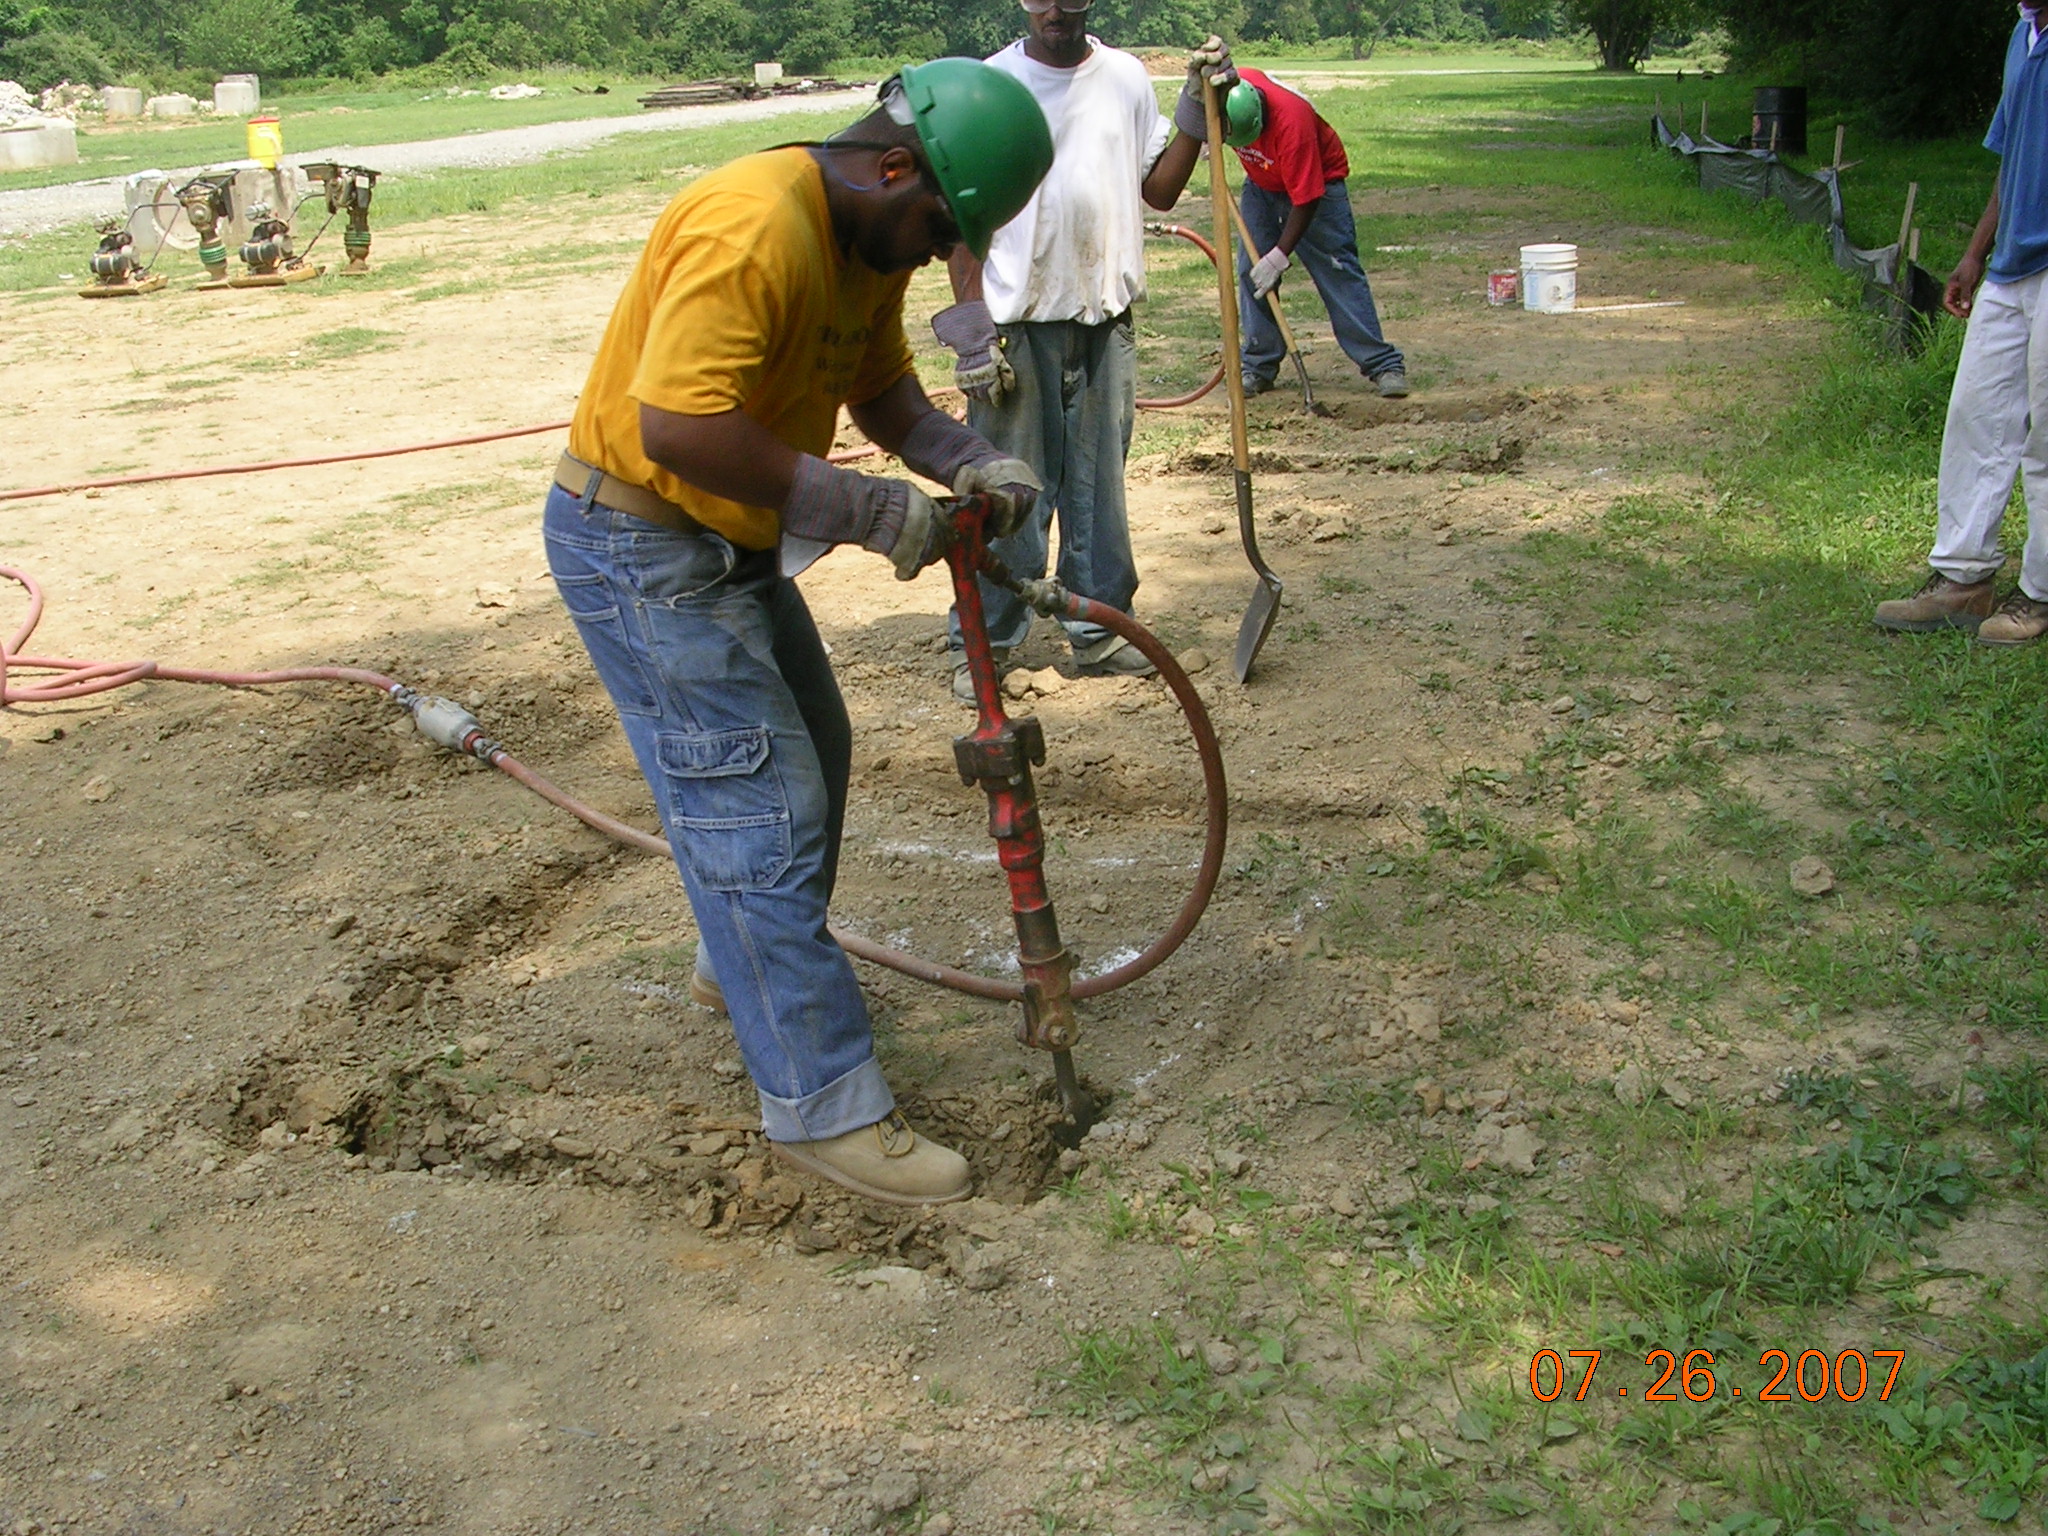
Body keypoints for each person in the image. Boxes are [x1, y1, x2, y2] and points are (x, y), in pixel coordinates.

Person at [543, 62, 1053, 1206]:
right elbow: (677, 428)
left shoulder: (859, 241)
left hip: (726, 539)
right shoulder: (751, 224)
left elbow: (884, 398)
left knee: (812, 756)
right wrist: (868, 511)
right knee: (756, 805)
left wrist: (969, 458)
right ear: (891, 167)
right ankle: (821, 1107)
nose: (934, 256)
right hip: (641, 541)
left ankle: (747, 968)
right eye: (937, 227)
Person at [929, 8, 1231, 701]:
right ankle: (982, 646)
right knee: (1007, 496)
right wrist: (972, 325)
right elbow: (961, 216)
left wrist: (1194, 110)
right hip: (1016, 327)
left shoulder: (1124, 79)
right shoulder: (993, 86)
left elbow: (1158, 190)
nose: (1056, 8)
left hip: (1105, 322)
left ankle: (1098, 634)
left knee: (1100, 497)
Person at [1872, 7, 2048, 643]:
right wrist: (1977, 253)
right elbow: (2014, 160)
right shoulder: (2021, 36)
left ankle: (2040, 594)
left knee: (2045, 438)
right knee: (1978, 416)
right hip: (2010, 266)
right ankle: (1965, 581)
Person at [1217, 69, 1408, 401]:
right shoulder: (1226, 89)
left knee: (1337, 271)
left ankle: (1382, 364)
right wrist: (1205, 132)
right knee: (1253, 274)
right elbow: (1195, 105)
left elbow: (1305, 199)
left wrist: (1279, 256)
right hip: (1262, 185)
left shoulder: (1294, 123)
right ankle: (1258, 365)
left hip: (1319, 187)